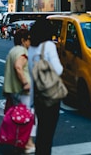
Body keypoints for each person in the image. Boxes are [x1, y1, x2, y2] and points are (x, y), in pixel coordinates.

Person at [28, 18, 63, 155]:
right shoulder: (49, 45)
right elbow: (58, 69)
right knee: (48, 133)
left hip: (37, 95)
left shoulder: (31, 48)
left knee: (41, 129)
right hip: (50, 94)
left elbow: (31, 73)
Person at [2, 28, 36, 154]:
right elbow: (18, 67)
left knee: (19, 117)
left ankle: (21, 142)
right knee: (27, 117)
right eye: (28, 40)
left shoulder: (12, 51)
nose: (30, 43)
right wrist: (26, 82)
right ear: (23, 40)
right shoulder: (22, 51)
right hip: (23, 90)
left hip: (13, 90)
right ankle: (28, 143)